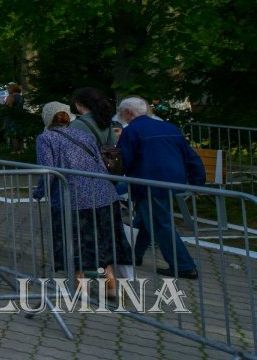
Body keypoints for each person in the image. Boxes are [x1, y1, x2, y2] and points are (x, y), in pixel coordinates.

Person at [33, 101, 133, 296]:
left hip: (74, 198)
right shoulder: (83, 135)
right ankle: (110, 284)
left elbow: (48, 172)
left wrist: (40, 192)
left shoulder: (46, 138)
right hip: (103, 195)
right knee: (103, 240)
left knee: (75, 241)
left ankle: (79, 285)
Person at [116, 96, 204, 279]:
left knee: (160, 224)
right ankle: (133, 255)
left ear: (128, 113)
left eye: (121, 113)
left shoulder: (132, 131)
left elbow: (124, 161)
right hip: (170, 181)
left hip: (148, 183)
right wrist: (198, 181)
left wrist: (113, 180)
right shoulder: (168, 127)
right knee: (145, 220)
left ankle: (184, 266)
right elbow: (190, 155)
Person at [2, 82, 25, 154]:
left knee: (12, 134)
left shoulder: (11, 97)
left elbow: (8, 108)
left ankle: (14, 150)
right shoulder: (21, 97)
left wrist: (4, 104)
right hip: (20, 117)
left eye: (9, 88)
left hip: (11, 117)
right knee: (19, 133)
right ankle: (21, 150)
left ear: (12, 88)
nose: (8, 89)